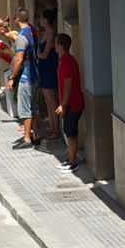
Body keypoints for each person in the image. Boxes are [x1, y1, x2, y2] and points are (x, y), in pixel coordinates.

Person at [8, 7, 40, 149]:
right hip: (35, 74)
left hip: (26, 76)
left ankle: (27, 138)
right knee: (35, 107)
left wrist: (12, 77)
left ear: (17, 19)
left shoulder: (21, 37)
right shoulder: (32, 33)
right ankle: (36, 135)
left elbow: (18, 60)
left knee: (25, 108)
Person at [55, 33, 83, 173]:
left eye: (56, 43)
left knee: (71, 134)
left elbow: (68, 86)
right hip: (73, 103)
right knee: (69, 132)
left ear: (60, 45)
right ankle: (70, 159)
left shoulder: (66, 62)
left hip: (72, 104)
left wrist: (63, 105)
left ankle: (72, 162)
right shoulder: (68, 59)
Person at [37, 10, 60, 140]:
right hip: (44, 68)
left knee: (52, 101)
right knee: (47, 100)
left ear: (46, 20)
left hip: (49, 68)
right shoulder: (45, 33)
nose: (40, 20)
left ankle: (56, 130)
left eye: (42, 17)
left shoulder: (51, 33)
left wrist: (38, 54)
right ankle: (51, 128)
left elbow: (44, 54)